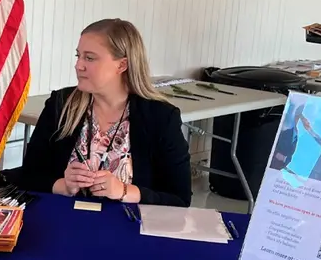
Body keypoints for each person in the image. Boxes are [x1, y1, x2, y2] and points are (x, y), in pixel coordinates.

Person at [18, 19, 192, 207]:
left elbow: (180, 199)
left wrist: (124, 191)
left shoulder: (160, 117)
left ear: (122, 65)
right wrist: (62, 185)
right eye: (78, 56)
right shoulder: (62, 105)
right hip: (65, 221)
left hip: (128, 228)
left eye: (90, 58)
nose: (79, 65)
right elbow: (27, 176)